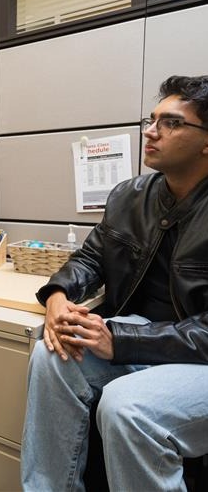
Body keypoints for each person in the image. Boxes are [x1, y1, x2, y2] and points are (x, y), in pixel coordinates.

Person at [21, 75, 208, 491]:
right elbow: (90, 258)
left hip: (198, 357)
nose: (151, 131)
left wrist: (120, 340)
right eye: (152, 119)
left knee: (126, 409)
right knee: (51, 356)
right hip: (142, 338)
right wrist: (57, 296)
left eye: (172, 123)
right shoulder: (130, 195)